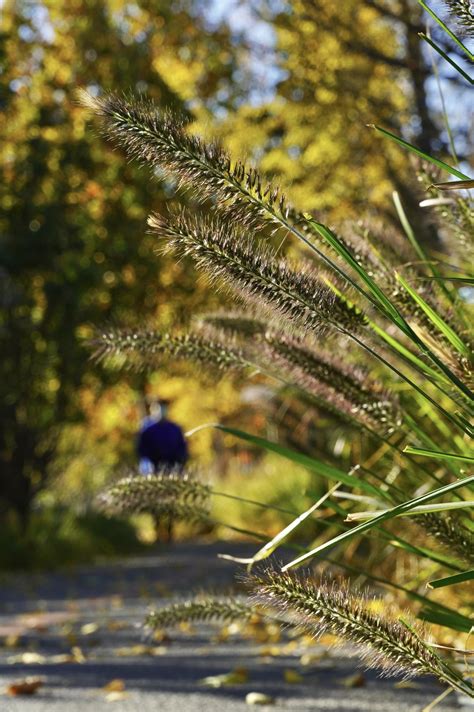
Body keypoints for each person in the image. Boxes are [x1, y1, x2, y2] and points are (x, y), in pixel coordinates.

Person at [136, 398, 188, 542]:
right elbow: (141, 450)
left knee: (171, 500)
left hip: (171, 469)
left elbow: (182, 450)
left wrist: (179, 464)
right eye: (158, 407)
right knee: (154, 501)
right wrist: (148, 465)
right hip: (152, 470)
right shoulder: (147, 428)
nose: (161, 411)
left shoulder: (175, 429)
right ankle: (158, 529)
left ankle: (170, 530)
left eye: (163, 407)